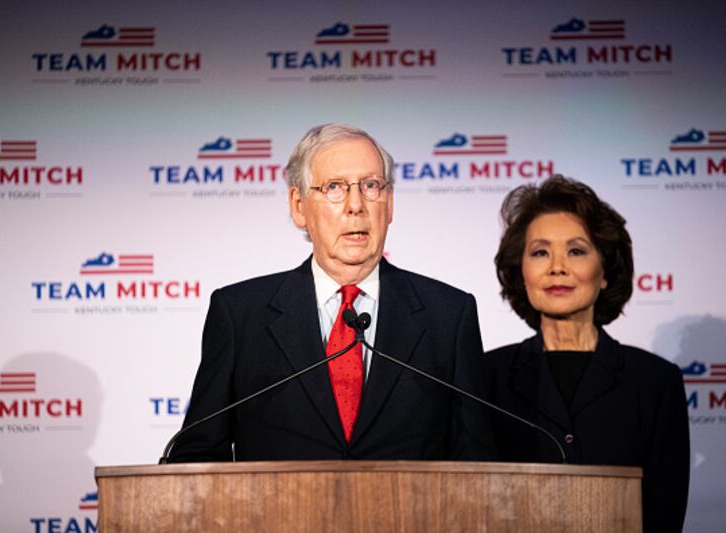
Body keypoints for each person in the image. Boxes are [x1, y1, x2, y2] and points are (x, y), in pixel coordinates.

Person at [169, 123, 494, 462]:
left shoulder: (449, 316)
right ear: (299, 206)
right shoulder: (240, 316)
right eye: (334, 187)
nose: (355, 205)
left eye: (370, 186)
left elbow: (478, 462)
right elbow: (197, 456)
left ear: (389, 204)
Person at [487, 175, 689, 532]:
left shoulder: (655, 381)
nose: (557, 267)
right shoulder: (487, 375)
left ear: (605, 272)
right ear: (521, 272)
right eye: (540, 252)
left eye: (576, 251)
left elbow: (664, 514)